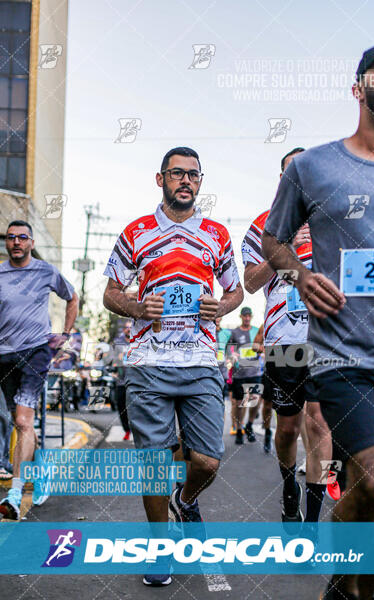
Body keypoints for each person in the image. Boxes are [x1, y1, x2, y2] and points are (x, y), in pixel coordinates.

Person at [262, 35, 374, 600]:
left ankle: (350, 593)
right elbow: (273, 241)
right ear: (359, 86)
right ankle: (349, 590)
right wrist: (298, 273)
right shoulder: (313, 166)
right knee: (373, 480)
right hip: (342, 357)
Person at [103, 146, 243, 586]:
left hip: (200, 359)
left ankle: (185, 499)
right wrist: (136, 305)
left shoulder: (217, 234)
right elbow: (110, 293)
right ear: (160, 179)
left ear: (200, 182)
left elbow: (236, 292)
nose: (186, 181)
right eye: (177, 173)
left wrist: (220, 304)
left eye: (193, 175)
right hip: (148, 362)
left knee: (206, 461)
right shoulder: (135, 233)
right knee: (153, 460)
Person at [243, 148, 332, 529]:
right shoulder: (264, 224)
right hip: (285, 342)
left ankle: (311, 522)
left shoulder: (335, 219)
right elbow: (249, 282)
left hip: (327, 339)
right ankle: (287, 487)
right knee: (288, 429)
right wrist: (284, 248)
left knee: (318, 423)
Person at [0, 221, 78, 520]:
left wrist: (66, 333)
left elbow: (72, 297)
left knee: (22, 420)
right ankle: (43, 470)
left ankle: (15, 493)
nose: (17, 242)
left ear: (31, 242)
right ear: (7, 244)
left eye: (22, 237)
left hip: (35, 352)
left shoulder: (46, 271)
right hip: (4, 356)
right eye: (11, 238)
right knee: (22, 425)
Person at [227, 307, 262, 445]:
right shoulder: (235, 332)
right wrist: (232, 355)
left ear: (251, 317)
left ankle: (249, 425)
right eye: (244, 316)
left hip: (254, 371)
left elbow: (261, 345)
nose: (247, 318)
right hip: (240, 374)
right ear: (240, 317)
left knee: (255, 400)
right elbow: (229, 350)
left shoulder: (256, 331)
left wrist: (260, 351)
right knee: (241, 404)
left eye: (249, 316)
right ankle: (240, 429)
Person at [252, 324, 273, 453]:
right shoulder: (265, 324)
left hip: (295, 368)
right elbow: (254, 346)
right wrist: (264, 349)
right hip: (271, 369)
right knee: (267, 406)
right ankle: (267, 432)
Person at [112, 320, 132, 440]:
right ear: (124, 330)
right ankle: (127, 430)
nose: (128, 329)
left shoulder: (139, 340)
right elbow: (113, 359)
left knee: (137, 407)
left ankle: (138, 429)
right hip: (121, 380)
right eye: (126, 328)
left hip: (137, 380)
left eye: (130, 327)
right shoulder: (117, 342)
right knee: (121, 407)